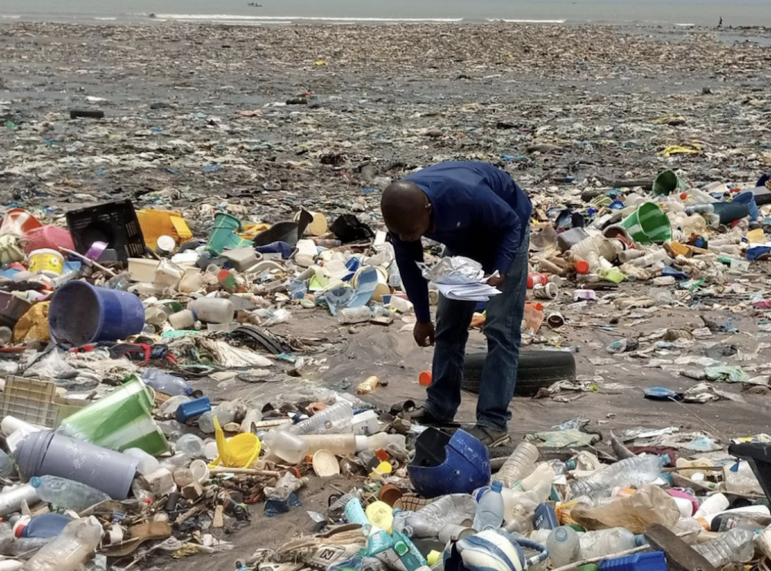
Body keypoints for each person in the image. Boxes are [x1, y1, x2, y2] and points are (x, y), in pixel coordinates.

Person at [381, 161, 532, 446]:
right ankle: (440, 407)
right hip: (464, 240)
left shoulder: (467, 194)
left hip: (506, 230)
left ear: (427, 209)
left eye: (414, 232)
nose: (409, 238)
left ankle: (493, 423)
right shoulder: (404, 216)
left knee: (500, 328)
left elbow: (511, 223)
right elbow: (411, 267)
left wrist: (499, 270)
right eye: (403, 234)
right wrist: (422, 318)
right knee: (448, 325)